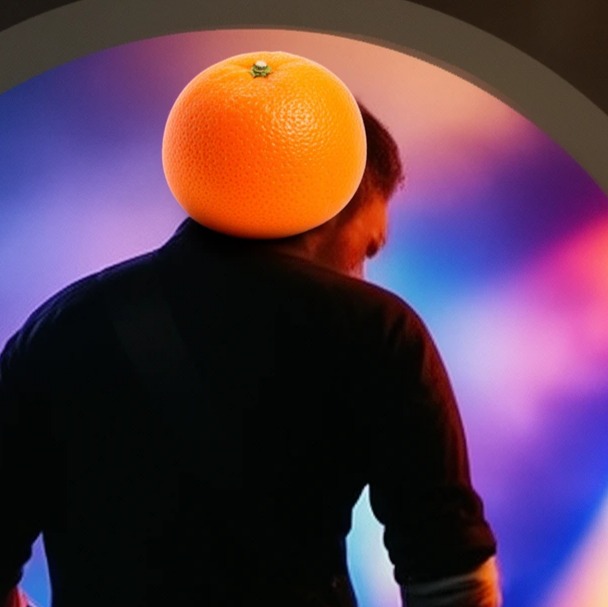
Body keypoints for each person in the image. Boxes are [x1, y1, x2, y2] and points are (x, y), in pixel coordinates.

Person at [0, 102, 501, 607]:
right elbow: (450, 578)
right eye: (367, 249)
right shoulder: (378, 328)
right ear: (328, 205)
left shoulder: (57, 328)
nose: (361, 274)